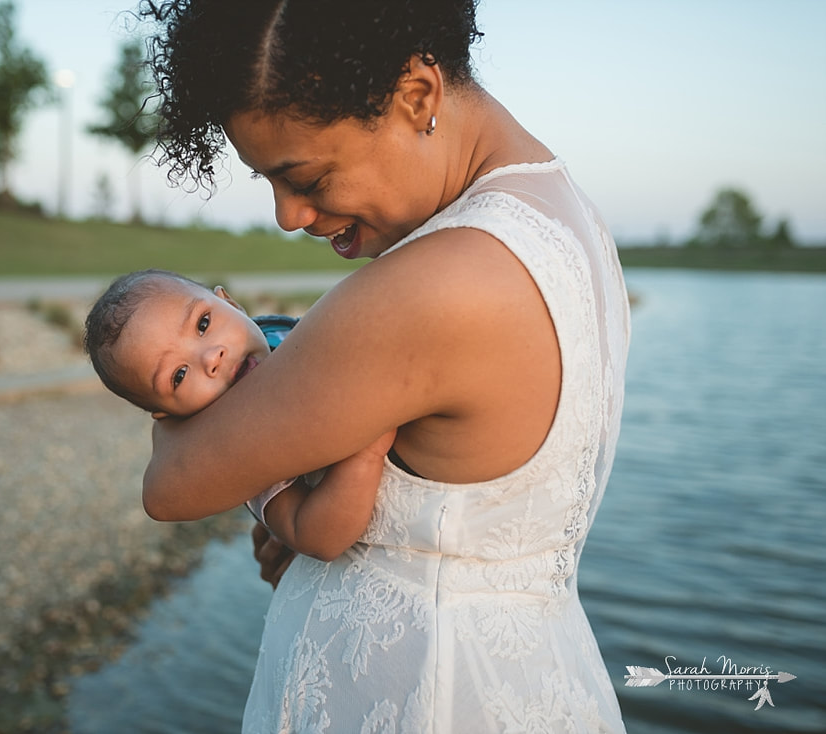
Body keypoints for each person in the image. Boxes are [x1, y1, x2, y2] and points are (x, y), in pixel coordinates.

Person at [138, 1, 631, 731]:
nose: (288, 216)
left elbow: (172, 485)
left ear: (417, 97)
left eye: (304, 176)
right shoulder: (567, 219)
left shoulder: (436, 284)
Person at [83, 269, 394, 561]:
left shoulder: (285, 333)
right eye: (178, 375)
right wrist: (368, 451)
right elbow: (315, 536)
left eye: (203, 324)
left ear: (231, 303)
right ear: (167, 415)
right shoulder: (235, 451)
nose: (211, 357)